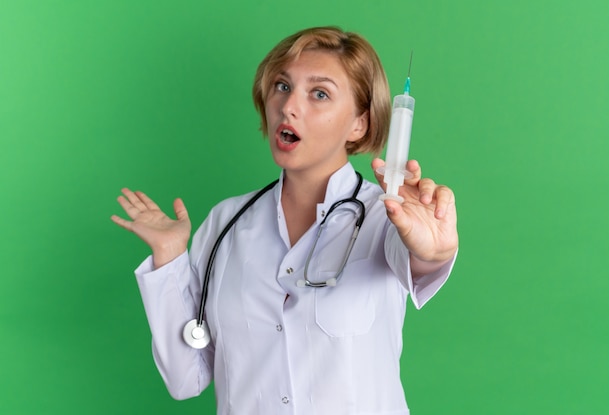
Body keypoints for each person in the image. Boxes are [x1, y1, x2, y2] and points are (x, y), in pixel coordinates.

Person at [112, 26, 458, 415]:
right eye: (281, 86)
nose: (289, 106)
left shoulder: (387, 218)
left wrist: (437, 251)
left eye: (319, 93)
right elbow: (185, 378)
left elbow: (420, 262)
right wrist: (169, 256)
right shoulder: (225, 224)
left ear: (359, 124)